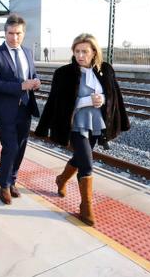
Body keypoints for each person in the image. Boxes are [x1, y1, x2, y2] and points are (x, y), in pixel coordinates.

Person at [35, 33, 130, 226]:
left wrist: (103, 100)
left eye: (84, 51)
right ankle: (86, 206)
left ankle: (61, 179)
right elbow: (58, 104)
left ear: (94, 52)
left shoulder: (106, 70)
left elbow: (114, 97)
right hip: (75, 125)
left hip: (96, 124)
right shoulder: (64, 74)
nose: (80, 55)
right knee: (87, 163)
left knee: (80, 158)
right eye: (77, 51)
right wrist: (86, 101)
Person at [0, 14, 41, 205]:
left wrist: (35, 81)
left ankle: (13, 180)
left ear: (23, 33)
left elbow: (31, 74)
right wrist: (21, 86)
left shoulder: (27, 53)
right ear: (5, 32)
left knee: (22, 146)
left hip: (25, 108)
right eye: (10, 33)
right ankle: (3, 185)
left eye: (18, 34)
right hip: (5, 110)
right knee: (10, 147)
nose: (14, 37)